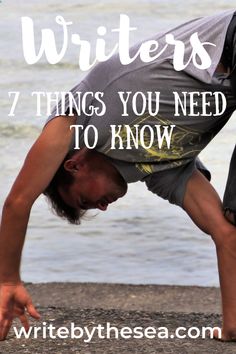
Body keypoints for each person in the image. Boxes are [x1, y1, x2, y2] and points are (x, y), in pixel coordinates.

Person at [1, 9, 236, 341]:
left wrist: (8, 280)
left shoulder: (83, 117)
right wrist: (231, 326)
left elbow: (18, 201)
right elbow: (226, 235)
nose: (103, 206)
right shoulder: (163, 172)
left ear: (74, 165)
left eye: (86, 200)